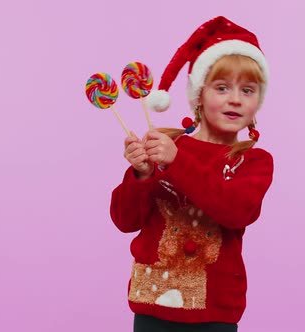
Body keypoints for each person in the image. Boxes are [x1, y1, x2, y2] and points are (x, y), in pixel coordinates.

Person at [110, 16, 274, 332]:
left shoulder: (254, 161)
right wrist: (140, 176)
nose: (236, 99)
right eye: (222, 87)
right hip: (154, 304)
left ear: (258, 102)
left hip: (215, 313)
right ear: (198, 94)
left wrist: (178, 162)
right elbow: (124, 220)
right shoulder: (164, 145)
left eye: (248, 90)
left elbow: (236, 210)